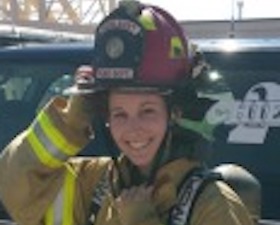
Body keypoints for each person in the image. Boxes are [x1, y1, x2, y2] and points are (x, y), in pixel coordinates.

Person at [0, 1, 254, 225]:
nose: (133, 128)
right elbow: (15, 187)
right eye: (119, 113)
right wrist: (72, 117)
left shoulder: (213, 204)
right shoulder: (95, 183)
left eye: (147, 111)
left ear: (174, 113)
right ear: (106, 118)